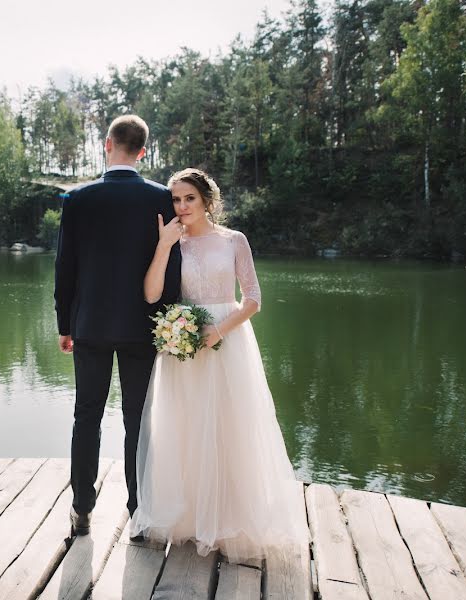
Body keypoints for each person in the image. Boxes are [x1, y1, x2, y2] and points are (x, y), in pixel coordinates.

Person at [131, 168, 308, 561]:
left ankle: (231, 517)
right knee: (186, 426)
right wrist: (162, 247)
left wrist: (219, 331)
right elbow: (151, 294)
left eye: (188, 198)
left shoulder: (233, 240)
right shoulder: (173, 243)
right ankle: (190, 518)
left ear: (206, 200)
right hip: (183, 347)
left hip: (226, 343)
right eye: (175, 200)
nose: (181, 206)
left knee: (230, 425)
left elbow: (254, 298)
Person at [55, 115, 181, 536]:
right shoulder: (162, 199)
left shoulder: (77, 200)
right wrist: (166, 324)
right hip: (143, 328)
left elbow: (65, 269)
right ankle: (138, 512)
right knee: (137, 420)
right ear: (143, 151)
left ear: (108, 144)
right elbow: (172, 266)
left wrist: (64, 324)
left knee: (86, 416)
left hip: (88, 324)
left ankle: (82, 510)